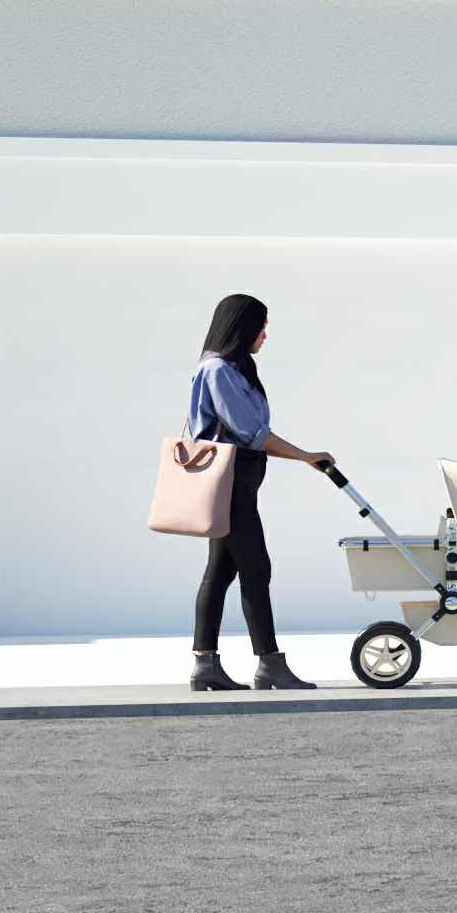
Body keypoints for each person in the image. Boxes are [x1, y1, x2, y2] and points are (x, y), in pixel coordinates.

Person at [180, 294, 343, 695]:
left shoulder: (235, 369)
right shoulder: (218, 371)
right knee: (256, 570)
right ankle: (269, 664)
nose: (265, 335)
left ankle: (206, 665)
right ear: (241, 328)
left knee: (220, 572)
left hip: (239, 483)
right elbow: (253, 434)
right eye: (260, 326)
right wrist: (306, 456)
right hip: (231, 483)